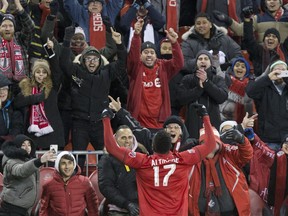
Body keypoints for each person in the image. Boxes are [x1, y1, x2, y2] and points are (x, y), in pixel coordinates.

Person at [101, 104, 217, 215]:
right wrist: (205, 117)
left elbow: (111, 147)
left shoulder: (143, 162)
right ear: (169, 147)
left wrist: (106, 120)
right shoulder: (183, 159)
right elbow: (211, 144)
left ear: (152, 147)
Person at [59, 27, 126, 168]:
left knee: (106, 158)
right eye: (88, 59)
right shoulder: (76, 72)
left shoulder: (106, 73)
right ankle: (77, 184)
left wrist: (119, 44)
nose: (91, 62)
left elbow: (121, 63)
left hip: (100, 124)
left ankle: (105, 185)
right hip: (80, 124)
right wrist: (66, 40)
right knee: (78, 159)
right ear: (83, 61)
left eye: (95, 59)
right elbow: (64, 62)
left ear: (99, 61)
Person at [127, 18, 184, 133]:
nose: (149, 55)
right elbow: (132, 56)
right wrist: (137, 36)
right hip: (139, 123)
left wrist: (174, 43)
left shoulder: (163, 67)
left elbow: (179, 63)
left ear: (155, 54)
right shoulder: (136, 68)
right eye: (146, 52)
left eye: (152, 52)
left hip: (160, 123)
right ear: (140, 55)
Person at [188, 121, 253, 215]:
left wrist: (242, 140)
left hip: (231, 211)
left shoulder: (228, 152)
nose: (209, 146)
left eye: (212, 142)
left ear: (218, 142)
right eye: (205, 142)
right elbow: (177, 157)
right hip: (200, 211)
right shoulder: (193, 157)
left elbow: (246, 156)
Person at [14, 45, 65, 150]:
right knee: (35, 165)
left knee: (51, 165)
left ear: (48, 73)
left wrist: (50, 51)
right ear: (33, 73)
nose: (41, 75)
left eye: (44, 72)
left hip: (52, 134)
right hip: (33, 135)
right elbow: (17, 102)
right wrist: (36, 97)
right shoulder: (26, 87)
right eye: (38, 72)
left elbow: (57, 70)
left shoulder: (52, 86)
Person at [98, 125, 148, 216]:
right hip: (118, 210)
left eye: (130, 137)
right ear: (115, 140)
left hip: (142, 209)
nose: (127, 141)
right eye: (123, 138)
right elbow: (106, 186)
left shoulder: (142, 155)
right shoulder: (107, 158)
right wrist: (126, 204)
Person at [177, 50, 228, 139]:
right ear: (196, 63)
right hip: (192, 125)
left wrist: (206, 82)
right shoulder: (187, 79)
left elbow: (222, 97)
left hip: (213, 123)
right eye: (200, 59)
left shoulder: (218, 79)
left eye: (206, 58)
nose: (203, 61)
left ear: (211, 63)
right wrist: (199, 89)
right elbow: (181, 98)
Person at [0, 134, 54, 216]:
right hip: (12, 209)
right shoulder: (11, 161)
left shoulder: (27, 160)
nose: (27, 147)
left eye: (29, 144)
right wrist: (40, 160)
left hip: (24, 210)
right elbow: (20, 171)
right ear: (17, 147)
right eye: (23, 145)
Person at [39, 151, 99, 216]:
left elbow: (93, 208)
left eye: (70, 163)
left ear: (74, 165)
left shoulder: (84, 182)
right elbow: (43, 210)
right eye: (63, 163)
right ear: (57, 166)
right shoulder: (49, 184)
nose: (67, 167)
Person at [246, 60, 288, 151]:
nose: (280, 72)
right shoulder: (264, 87)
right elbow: (250, 92)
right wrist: (268, 78)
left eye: (283, 70)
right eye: (276, 69)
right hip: (268, 138)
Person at [0, 0, 34, 96]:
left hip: (22, 86)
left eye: (10, 26)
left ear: (14, 28)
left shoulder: (20, 39)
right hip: (2, 88)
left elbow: (30, 27)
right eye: (4, 26)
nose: (7, 28)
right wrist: (4, 7)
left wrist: (18, 4)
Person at [213, 0, 288, 43]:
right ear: (264, 2)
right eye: (268, 0)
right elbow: (240, 30)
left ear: (280, 2)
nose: (271, 2)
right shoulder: (258, 18)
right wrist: (227, 19)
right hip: (264, 56)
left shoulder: (286, 17)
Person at [243, 9, 288, 77]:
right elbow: (248, 38)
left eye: (274, 37)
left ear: (278, 42)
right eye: (268, 36)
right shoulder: (258, 50)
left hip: (284, 83)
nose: (270, 38)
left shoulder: (284, 49)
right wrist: (247, 20)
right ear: (264, 40)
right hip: (262, 84)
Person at [220, 57, 254, 123]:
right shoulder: (226, 79)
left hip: (239, 121)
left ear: (246, 70)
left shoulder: (250, 84)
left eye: (243, 67)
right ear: (233, 68)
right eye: (237, 65)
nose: (239, 68)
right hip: (221, 118)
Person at [0, 73, 22, 146]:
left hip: (8, 147)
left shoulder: (13, 106)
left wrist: (9, 139)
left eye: (4, 89)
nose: (2, 92)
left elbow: (17, 126)